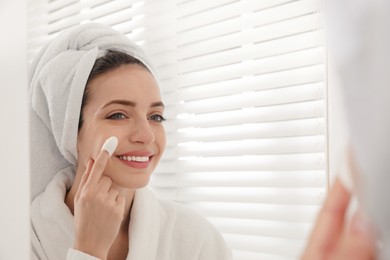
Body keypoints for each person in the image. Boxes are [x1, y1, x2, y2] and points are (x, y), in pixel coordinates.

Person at [29, 23, 233, 260]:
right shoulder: (22, 238)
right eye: (118, 115)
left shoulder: (196, 238)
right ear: (70, 131)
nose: (146, 135)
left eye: (155, 117)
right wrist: (88, 250)